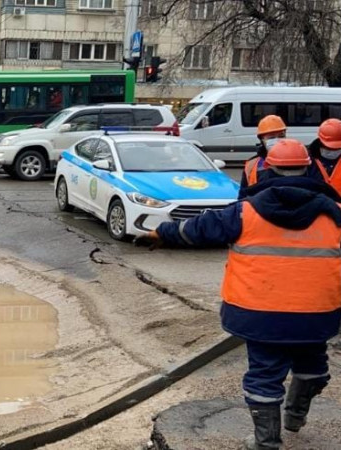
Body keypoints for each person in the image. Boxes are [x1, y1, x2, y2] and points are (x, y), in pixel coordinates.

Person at [137, 139, 341, 450]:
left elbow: (197, 229)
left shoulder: (245, 212)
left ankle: (266, 442)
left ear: (268, 168)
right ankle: (296, 415)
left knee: (264, 375)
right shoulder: (336, 214)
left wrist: (159, 234)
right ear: (310, 167)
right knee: (313, 367)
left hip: (258, 314)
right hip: (317, 314)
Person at [238, 115, 287, 198]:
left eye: (281, 136)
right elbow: (242, 197)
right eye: (271, 137)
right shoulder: (252, 165)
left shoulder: (299, 160)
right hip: (259, 208)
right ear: (262, 139)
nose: (277, 140)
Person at [309, 118, 341, 195]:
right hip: (318, 205)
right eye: (329, 147)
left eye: (337, 148)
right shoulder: (308, 161)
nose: (333, 150)